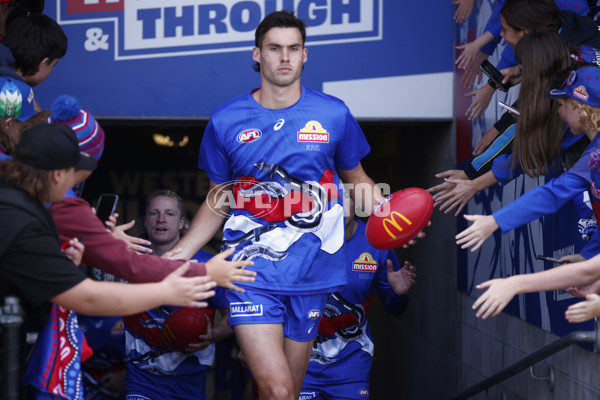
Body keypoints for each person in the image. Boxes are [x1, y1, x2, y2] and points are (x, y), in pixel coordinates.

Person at [172, 10, 390, 400]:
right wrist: (181, 250)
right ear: (257, 54)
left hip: (313, 273)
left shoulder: (333, 113)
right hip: (248, 272)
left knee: (286, 392)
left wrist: (396, 215)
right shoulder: (226, 119)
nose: (285, 57)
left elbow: (359, 182)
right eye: (275, 48)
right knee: (276, 390)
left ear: (305, 55)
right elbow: (220, 195)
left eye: (293, 48)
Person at [0, 123, 218, 397]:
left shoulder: (20, 203)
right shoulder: (32, 215)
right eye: (74, 175)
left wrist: (70, 262)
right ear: (57, 175)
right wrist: (173, 287)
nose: (75, 186)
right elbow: (86, 297)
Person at [456, 64, 600, 254]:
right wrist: (586, 257)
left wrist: (495, 220)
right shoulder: (593, 154)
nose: (558, 112)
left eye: (561, 105)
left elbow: (553, 194)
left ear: (579, 109)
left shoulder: (594, 154)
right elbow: (552, 193)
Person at [299, 195, 415, 399]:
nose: (337, 205)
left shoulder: (376, 242)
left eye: (344, 198)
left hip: (351, 364)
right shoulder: (299, 239)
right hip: (301, 363)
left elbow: (394, 308)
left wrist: (397, 294)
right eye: (329, 198)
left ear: (358, 201)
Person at [123, 190, 233, 400]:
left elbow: (234, 315)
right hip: (141, 380)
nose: (161, 219)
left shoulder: (207, 266)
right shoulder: (128, 261)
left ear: (182, 222)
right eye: (154, 213)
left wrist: (214, 335)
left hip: (190, 382)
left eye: (169, 214)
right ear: (145, 222)